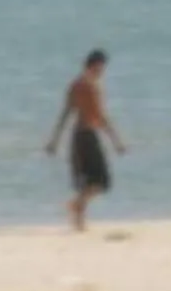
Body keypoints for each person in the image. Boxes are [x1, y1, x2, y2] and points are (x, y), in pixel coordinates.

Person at [44, 48, 127, 231]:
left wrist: (54, 140)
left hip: (77, 137)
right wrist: (116, 141)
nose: (102, 71)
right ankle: (76, 205)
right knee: (101, 181)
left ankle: (79, 219)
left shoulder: (75, 85)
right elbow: (101, 116)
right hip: (89, 136)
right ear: (95, 65)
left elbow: (66, 114)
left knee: (87, 181)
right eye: (101, 67)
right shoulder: (93, 86)